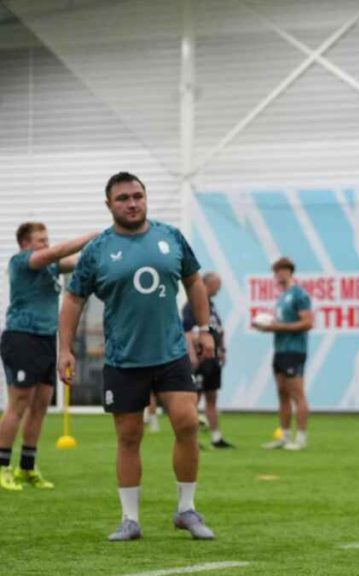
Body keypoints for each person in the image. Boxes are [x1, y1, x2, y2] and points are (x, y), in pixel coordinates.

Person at [58, 171, 216, 541]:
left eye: (137, 196)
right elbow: (74, 299)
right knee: (129, 436)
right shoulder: (98, 249)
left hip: (171, 352)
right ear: (109, 204)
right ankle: (130, 520)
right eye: (123, 198)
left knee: (187, 424)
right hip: (124, 358)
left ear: (145, 198)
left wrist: (204, 330)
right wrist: (65, 349)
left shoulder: (170, 237)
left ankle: (186, 510)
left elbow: (194, 281)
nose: (132, 203)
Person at [0, 222, 96, 491]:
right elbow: (56, 253)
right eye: (40, 240)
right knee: (18, 403)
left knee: (41, 404)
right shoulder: (21, 262)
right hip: (21, 337)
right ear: (25, 244)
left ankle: (27, 467)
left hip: (45, 340)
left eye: (47, 239)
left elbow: (78, 260)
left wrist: (107, 246)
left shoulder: (52, 265)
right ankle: (3, 465)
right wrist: (92, 235)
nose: (46, 243)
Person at [255, 257, 313, 451]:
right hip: (280, 350)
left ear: (289, 271)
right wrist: (266, 326)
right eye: (276, 272)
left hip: (294, 350)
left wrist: (277, 326)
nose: (278, 275)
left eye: (281, 271)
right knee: (282, 394)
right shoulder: (282, 297)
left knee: (298, 394)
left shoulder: (299, 294)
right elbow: (280, 323)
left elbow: (308, 323)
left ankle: (302, 438)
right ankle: (285, 437)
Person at [182, 272, 233, 448]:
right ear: (205, 284)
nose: (218, 290)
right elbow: (187, 333)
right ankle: (192, 439)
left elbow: (219, 330)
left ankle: (216, 437)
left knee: (212, 397)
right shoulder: (192, 305)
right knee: (195, 398)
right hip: (201, 357)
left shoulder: (211, 306)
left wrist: (222, 349)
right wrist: (193, 355)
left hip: (213, 358)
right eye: (216, 285)